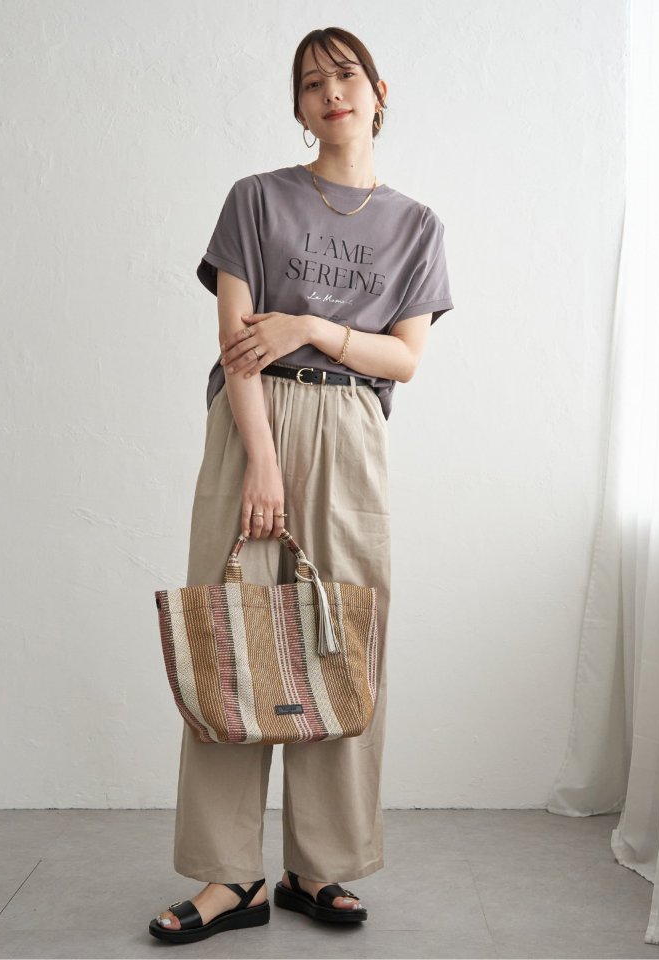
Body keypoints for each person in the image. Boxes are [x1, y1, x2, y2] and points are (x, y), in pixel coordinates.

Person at [149, 25, 454, 944]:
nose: (332, 93)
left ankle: (318, 866)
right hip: (253, 425)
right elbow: (237, 340)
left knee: (341, 637)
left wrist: (314, 327)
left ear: (379, 91)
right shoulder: (257, 198)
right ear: (299, 106)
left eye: (346, 76)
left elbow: (404, 359)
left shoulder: (416, 226)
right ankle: (229, 876)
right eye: (312, 83)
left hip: (351, 426)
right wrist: (264, 462)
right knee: (230, 634)